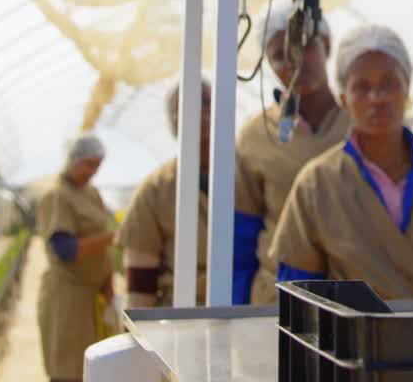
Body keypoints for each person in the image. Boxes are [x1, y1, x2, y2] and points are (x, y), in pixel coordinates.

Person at [269, 24, 413, 299]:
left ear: (407, 88)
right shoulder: (316, 184)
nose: (377, 98)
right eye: (362, 87)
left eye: (389, 83)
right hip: (356, 341)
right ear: (343, 100)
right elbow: (299, 296)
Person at [236, 3, 350, 305]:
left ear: (326, 44)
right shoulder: (255, 136)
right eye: (278, 55)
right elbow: (242, 238)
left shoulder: (362, 124)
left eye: (304, 47)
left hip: (354, 297)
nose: (294, 62)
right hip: (279, 300)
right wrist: (237, 311)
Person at [117, 79, 265, 307]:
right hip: (181, 314)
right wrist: (136, 337)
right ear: (172, 123)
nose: (198, 113)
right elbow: (140, 283)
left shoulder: (253, 175)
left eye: (205, 103)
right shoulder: (154, 191)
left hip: (248, 308)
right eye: (184, 107)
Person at [36, 134, 116, 382]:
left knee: (91, 371)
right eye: (90, 165)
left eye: (98, 165)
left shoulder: (92, 193)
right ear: (74, 161)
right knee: (68, 370)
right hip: (67, 299)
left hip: (92, 297)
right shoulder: (57, 195)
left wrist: (107, 280)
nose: (94, 171)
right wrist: (113, 237)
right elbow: (67, 250)